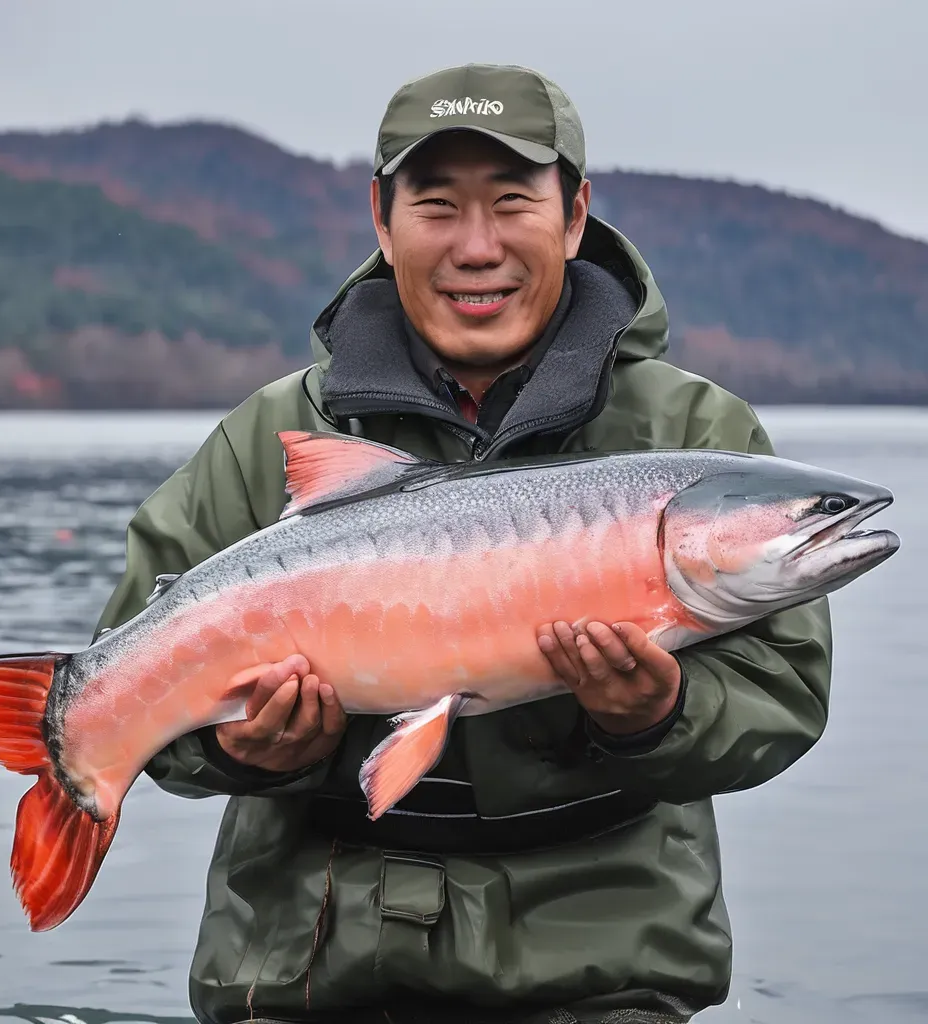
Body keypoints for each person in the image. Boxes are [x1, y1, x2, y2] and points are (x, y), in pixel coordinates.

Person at [94, 63, 832, 1024]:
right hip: (304, 970)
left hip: (607, 970)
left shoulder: (694, 430)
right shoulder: (267, 436)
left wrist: (660, 711)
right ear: (381, 219)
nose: (476, 247)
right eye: (437, 205)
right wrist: (242, 751)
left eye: (514, 202)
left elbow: (785, 698)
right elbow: (146, 698)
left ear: (574, 216)